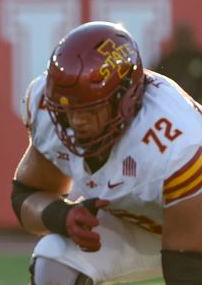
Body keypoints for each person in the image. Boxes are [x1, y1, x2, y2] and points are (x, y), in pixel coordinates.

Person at [12, 21, 202, 284]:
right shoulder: (47, 104)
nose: (77, 122)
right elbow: (27, 194)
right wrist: (62, 216)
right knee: (54, 258)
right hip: (142, 225)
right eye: (70, 110)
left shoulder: (178, 143)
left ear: (126, 98)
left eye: (90, 109)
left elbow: (188, 269)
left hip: (194, 238)